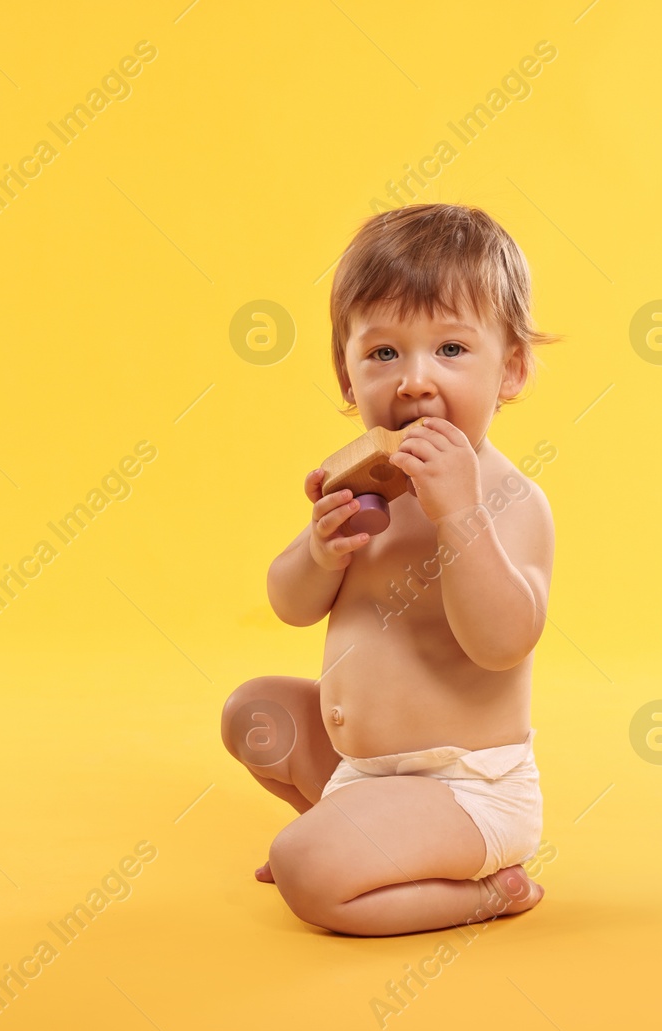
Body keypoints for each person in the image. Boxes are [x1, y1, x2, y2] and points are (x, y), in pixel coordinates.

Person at [222, 203, 557, 936]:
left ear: (513, 369)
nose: (414, 382)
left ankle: (486, 892)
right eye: (383, 354)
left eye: (450, 350)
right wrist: (318, 549)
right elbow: (290, 604)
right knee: (253, 712)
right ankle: (355, 832)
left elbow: (504, 641)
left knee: (306, 871)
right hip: (361, 768)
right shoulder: (367, 487)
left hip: (467, 788)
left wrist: (458, 516)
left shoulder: (508, 500)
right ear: (346, 376)